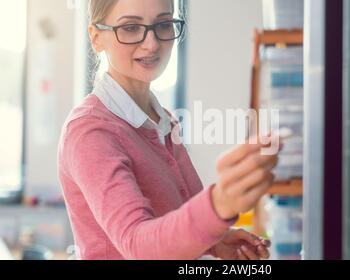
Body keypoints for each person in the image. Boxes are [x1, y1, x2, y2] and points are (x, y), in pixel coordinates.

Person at [57, 0, 280, 260]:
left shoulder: (164, 121)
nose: (151, 44)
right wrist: (219, 204)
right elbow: (139, 245)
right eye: (130, 27)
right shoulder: (89, 131)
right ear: (96, 37)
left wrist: (214, 241)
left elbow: (172, 224)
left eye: (163, 24)